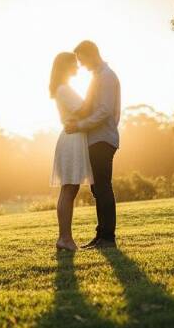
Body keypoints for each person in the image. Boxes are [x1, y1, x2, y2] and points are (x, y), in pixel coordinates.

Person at [65, 40, 120, 249]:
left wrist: (80, 125)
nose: (81, 65)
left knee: (103, 187)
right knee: (98, 188)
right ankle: (101, 236)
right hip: (96, 138)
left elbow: (104, 111)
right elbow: (90, 106)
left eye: (82, 59)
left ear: (91, 54)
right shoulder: (98, 76)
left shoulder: (106, 76)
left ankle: (108, 238)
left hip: (103, 138)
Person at [49, 51, 94, 251]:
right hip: (72, 140)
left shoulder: (64, 88)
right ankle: (64, 238)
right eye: (74, 64)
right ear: (66, 66)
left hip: (74, 138)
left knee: (70, 189)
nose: (77, 67)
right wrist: (95, 94)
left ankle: (64, 238)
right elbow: (84, 110)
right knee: (69, 189)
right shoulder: (64, 89)